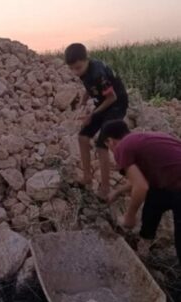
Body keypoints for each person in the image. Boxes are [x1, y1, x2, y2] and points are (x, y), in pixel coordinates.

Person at [101, 120, 181, 264]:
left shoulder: (122, 147)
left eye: (108, 147)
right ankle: (143, 249)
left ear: (110, 141)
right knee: (154, 201)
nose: (112, 152)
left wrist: (129, 216)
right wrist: (118, 191)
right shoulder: (143, 139)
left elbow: (141, 187)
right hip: (170, 185)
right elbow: (140, 180)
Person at [64, 43, 129, 200]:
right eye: (72, 69)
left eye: (78, 67)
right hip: (102, 103)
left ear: (86, 59)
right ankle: (87, 177)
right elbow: (89, 87)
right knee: (82, 137)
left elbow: (112, 97)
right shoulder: (84, 72)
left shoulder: (98, 73)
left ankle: (105, 188)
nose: (75, 72)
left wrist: (92, 114)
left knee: (102, 144)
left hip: (116, 105)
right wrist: (83, 101)